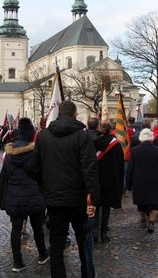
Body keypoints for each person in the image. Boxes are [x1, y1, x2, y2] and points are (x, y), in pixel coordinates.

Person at [30, 101, 98, 278]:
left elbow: (33, 167)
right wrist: (94, 199)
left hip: (54, 199)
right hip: (78, 199)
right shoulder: (83, 137)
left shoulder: (43, 136)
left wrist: (44, 185)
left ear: (59, 114)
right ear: (75, 114)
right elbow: (90, 170)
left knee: (56, 245)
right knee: (83, 242)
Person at [0, 117, 49, 272]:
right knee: (37, 227)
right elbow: (42, 174)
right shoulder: (37, 151)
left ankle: (17, 262)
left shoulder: (8, 155)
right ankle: (42, 255)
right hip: (34, 195)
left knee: (16, 229)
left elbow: (5, 176)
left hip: (15, 196)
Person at [127, 128, 158, 234]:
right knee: (154, 202)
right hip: (155, 179)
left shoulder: (134, 150)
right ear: (151, 138)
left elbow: (130, 168)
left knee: (141, 201)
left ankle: (143, 219)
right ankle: (151, 222)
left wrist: (128, 183)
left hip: (138, 179)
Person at [93, 121, 124, 243]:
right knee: (106, 208)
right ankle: (104, 233)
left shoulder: (94, 143)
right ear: (111, 130)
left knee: (95, 206)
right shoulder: (116, 145)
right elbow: (120, 165)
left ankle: (94, 230)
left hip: (96, 179)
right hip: (110, 179)